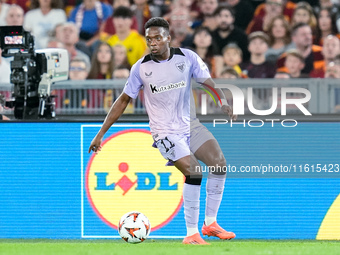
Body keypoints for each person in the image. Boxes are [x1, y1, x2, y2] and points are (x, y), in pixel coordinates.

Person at [88, 17, 236, 245]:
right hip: (165, 133)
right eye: (149, 39)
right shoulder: (141, 68)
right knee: (194, 171)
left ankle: (210, 223)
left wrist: (223, 102)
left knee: (219, 164)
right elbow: (123, 100)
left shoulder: (187, 58)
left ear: (168, 37)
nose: (153, 42)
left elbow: (209, 84)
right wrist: (100, 133)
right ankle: (191, 234)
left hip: (191, 126)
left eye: (157, 37)